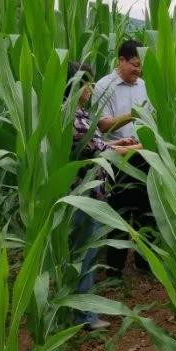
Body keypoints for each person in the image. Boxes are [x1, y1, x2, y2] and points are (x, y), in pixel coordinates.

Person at [67, 61, 141, 330]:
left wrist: (116, 142)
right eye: (87, 83)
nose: (91, 88)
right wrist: (141, 147)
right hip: (83, 197)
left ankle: (82, 312)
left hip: (93, 194)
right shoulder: (72, 117)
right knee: (85, 254)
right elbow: (98, 151)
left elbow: (96, 145)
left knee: (88, 251)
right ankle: (84, 317)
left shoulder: (80, 113)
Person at [92, 40, 154, 275]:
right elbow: (104, 125)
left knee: (144, 211)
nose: (138, 71)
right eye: (135, 65)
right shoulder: (103, 87)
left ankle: (143, 263)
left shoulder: (144, 85)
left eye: (141, 66)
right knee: (117, 211)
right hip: (116, 158)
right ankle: (114, 268)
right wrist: (134, 114)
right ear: (121, 61)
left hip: (141, 154)